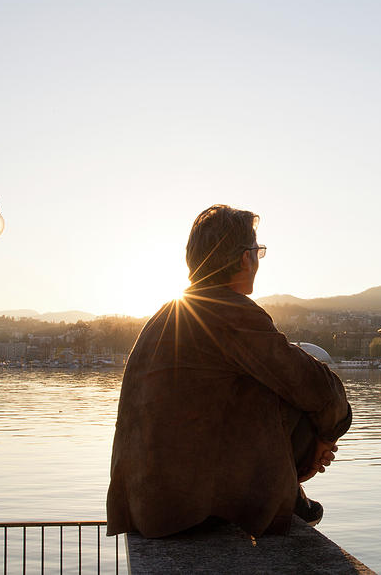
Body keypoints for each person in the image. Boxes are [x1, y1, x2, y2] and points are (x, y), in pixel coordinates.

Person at [106, 204, 351, 538]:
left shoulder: (164, 317)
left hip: (146, 506)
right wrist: (328, 434)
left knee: (267, 377)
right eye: (258, 251)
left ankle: (290, 495)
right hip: (187, 510)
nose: (258, 262)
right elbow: (315, 387)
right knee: (290, 380)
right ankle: (286, 498)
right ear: (243, 258)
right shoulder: (229, 313)